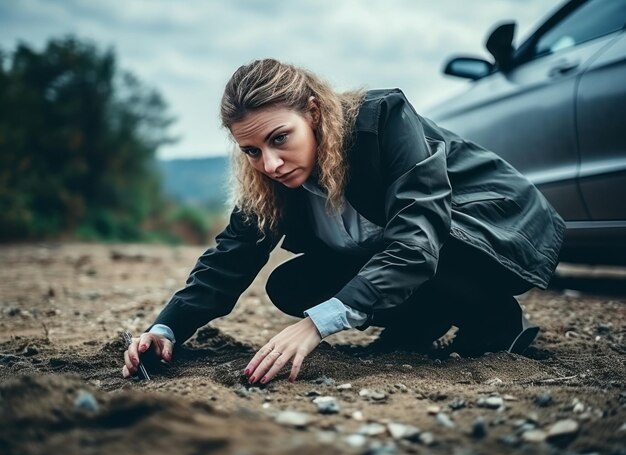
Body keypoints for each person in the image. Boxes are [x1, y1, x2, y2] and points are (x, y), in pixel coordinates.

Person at [122, 58, 565, 385]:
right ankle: (417, 325)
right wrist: (166, 328)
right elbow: (232, 255)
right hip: (418, 246)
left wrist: (317, 325)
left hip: (490, 227)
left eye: (280, 139)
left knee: (423, 242)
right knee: (293, 285)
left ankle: (495, 319)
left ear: (313, 113)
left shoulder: (384, 121)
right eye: (252, 150)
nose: (270, 163)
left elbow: (417, 237)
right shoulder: (272, 180)